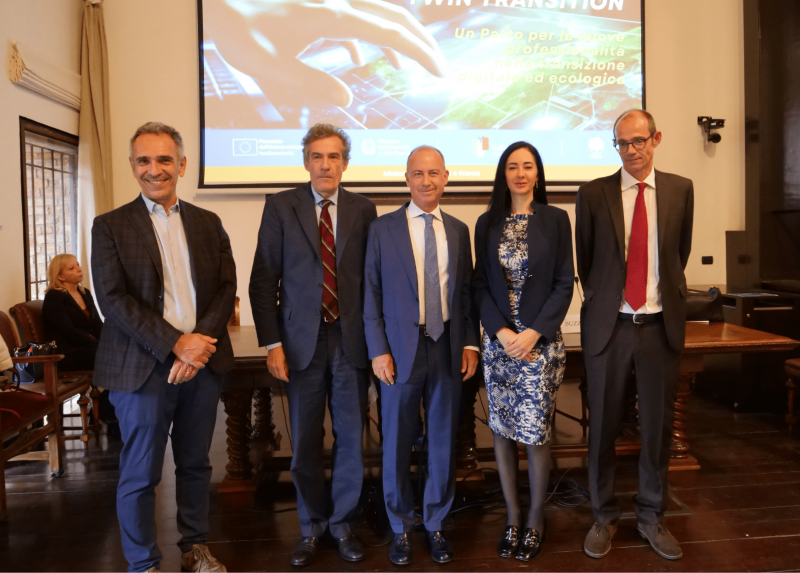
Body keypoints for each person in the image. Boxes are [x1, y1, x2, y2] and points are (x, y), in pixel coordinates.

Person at [91, 122, 236, 573]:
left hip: (202, 366)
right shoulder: (110, 226)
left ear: (182, 164)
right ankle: (143, 564)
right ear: (133, 166)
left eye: (164, 160)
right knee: (141, 473)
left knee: (195, 465)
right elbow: (113, 301)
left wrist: (198, 348)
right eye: (144, 161)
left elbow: (225, 288)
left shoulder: (208, 222)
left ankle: (195, 550)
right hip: (140, 369)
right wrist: (176, 345)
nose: (155, 170)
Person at [249, 123, 377, 567]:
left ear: (345, 162)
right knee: (304, 440)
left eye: (335, 156)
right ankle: (310, 528)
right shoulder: (281, 206)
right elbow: (263, 280)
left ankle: (342, 526)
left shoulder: (364, 209)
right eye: (318, 157)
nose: (326, 165)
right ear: (306, 162)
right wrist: (272, 343)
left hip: (350, 338)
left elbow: (372, 281)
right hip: (299, 342)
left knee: (349, 438)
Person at [576, 109, 693, 561]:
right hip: (612, 327)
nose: (631, 150)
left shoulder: (681, 189)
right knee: (602, 427)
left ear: (656, 139)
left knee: (657, 430)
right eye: (622, 143)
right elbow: (587, 261)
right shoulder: (593, 193)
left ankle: (651, 515)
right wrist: (610, 303)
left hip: (660, 327)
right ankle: (603, 516)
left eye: (639, 141)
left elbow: (677, 253)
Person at [364, 145, 479, 566]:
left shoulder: (460, 230)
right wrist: (378, 350)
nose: (426, 181)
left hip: (446, 345)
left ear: (446, 177)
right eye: (418, 173)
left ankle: (435, 522)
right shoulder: (383, 229)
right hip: (399, 349)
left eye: (434, 173)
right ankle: (399, 526)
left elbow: (464, 293)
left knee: (443, 440)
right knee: (395, 441)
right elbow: (370, 295)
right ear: (406, 178)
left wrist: (469, 342)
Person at [472, 142, 574, 561]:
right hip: (499, 345)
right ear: (503, 173)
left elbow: (564, 283)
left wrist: (532, 334)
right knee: (500, 430)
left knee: (534, 432)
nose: (520, 173)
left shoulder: (555, 219)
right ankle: (512, 516)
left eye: (527, 166)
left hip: (539, 345)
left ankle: (535, 518)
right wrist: (500, 332)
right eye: (512, 166)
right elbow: (479, 284)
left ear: (537, 172)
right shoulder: (487, 221)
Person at [42, 254, 103, 372]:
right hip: (69, 352)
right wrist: (98, 345)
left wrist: (109, 341)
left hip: (89, 346)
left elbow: (97, 323)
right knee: (112, 357)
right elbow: (68, 331)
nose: (79, 269)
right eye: (72, 268)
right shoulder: (54, 296)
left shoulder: (84, 292)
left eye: (78, 265)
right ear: (60, 277)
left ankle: (110, 391)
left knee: (123, 351)